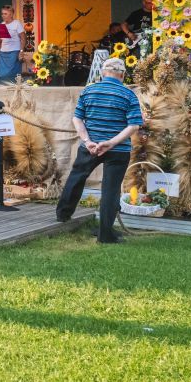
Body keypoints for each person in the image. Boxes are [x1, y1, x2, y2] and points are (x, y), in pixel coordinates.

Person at [55, 56, 145, 243]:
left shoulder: (89, 90)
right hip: (118, 149)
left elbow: (77, 118)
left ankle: (63, 214)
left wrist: (87, 141)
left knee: (77, 177)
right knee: (111, 189)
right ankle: (105, 234)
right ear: (122, 74)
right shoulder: (128, 94)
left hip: (91, 146)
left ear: (103, 73)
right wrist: (112, 143)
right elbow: (134, 125)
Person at [0, 5, 25, 84]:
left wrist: (21, 51)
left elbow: (23, 38)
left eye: (5, 14)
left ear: (11, 14)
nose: (3, 16)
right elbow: (0, 40)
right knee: (1, 75)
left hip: (14, 52)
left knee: (12, 75)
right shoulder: (2, 24)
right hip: (2, 53)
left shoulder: (17, 23)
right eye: (2, 14)